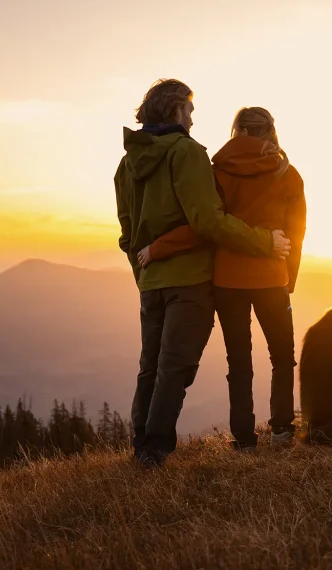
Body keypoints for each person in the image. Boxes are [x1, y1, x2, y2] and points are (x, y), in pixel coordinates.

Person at [114, 81, 291, 467]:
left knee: (150, 366)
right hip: (189, 280)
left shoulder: (128, 162)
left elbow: (127, 232)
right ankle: (154, 452)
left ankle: (142, 444)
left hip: (151, 282)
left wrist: (143, 273)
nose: (193, 118)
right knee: (175, 367)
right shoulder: (187, 153)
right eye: (190, 110)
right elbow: (207, 220)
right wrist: (265, 242)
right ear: (177, 110)